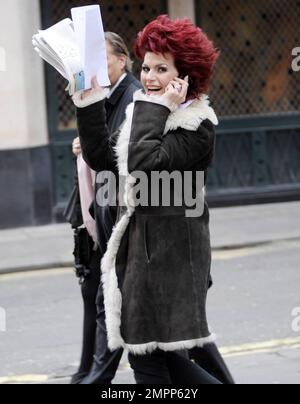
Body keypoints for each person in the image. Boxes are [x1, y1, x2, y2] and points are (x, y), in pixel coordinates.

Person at [74, 16, 233, 384]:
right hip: (139, 259)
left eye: (162, 69)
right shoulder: (143, 114)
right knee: (153, 360)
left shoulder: (197, 127)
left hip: (171, 262)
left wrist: (155, 108)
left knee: (153, 358)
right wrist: (87, 96)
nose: (148, 77)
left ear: (186, 76)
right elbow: (103, 158)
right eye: (146, 67)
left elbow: (144, 165)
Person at [65, 32, 142, 384]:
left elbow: (117, 158)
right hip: (103, 216)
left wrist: (93, 144)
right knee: (100, 302)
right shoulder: (107, 95)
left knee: (108, 306)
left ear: (122, 61)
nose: (96, 70)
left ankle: (92, 376)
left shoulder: (132, 97)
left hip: (124, 221)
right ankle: (89, 373)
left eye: (103, 61)